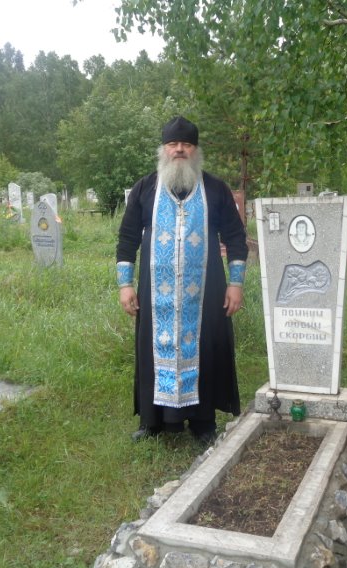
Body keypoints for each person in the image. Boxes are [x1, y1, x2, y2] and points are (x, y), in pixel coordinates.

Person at [117, 116, 248, 444]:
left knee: (205, 350)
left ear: (195, 150)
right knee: (153, 351)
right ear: (163, 149)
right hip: (155, 295)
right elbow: (127, 237)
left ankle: (203, 422)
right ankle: (152, 422)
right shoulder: (145, 188)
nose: (179, 149)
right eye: (173, 144)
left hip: (204, 293)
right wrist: (125, 284)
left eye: (186, 144)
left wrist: (236, 284)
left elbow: (235, 237)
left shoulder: (215, 189)